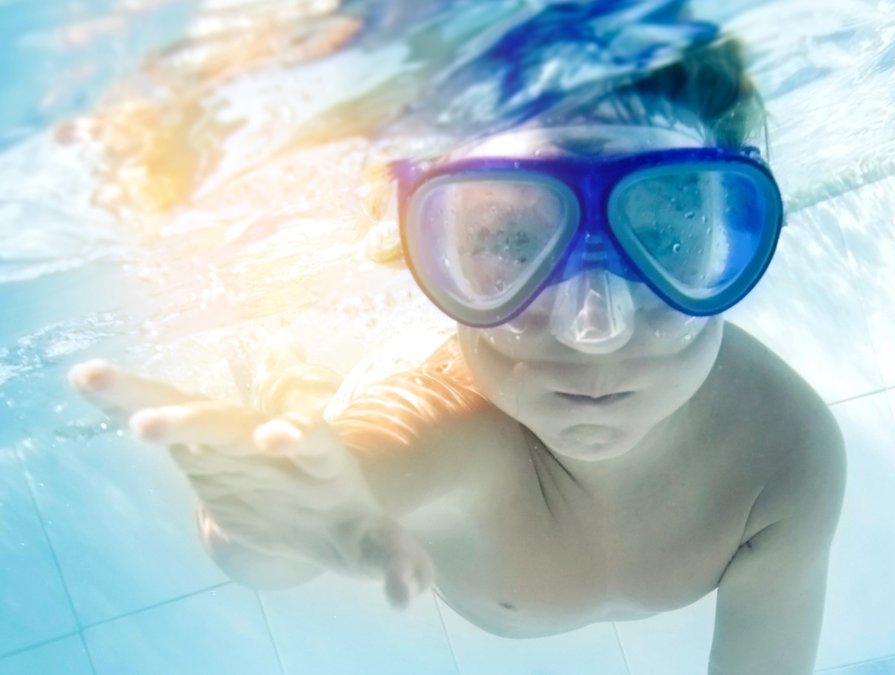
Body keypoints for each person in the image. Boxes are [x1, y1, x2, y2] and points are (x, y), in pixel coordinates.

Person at [69, 33, 847, 675]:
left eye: (667, 237)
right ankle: (289, 371)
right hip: (386, 394)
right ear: (428, 251)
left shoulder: (784, 452)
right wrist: (265, 520)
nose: (591, 326)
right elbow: (299, 521)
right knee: (311, 400)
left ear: (731, 239)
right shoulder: (446, 426)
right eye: (514, 242)